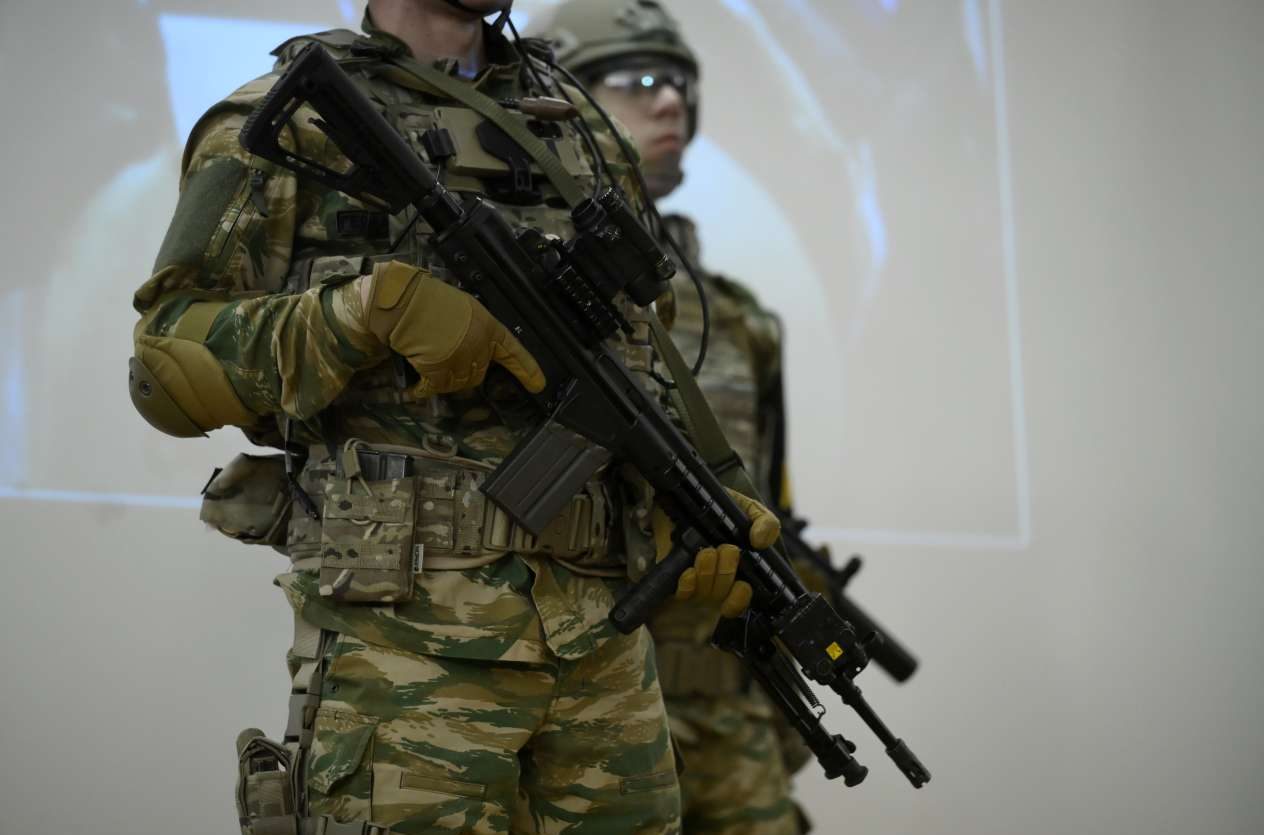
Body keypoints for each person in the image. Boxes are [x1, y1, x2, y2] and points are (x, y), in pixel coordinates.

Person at [127, 1, 780, 833]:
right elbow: (165, 363)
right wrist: (361, 314)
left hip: (604, 659)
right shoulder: (289, 118)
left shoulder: (579, 129)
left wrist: (693, 494)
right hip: (404, 657)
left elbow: (631, 353)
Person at [534, 2, 809, 832]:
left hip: (725, 712)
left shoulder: (740, 319)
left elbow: (777, 509)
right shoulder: (529, 285)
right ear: (562, 97)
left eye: (682, 84)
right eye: (640, 79)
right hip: (575, 708)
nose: (671, 102)